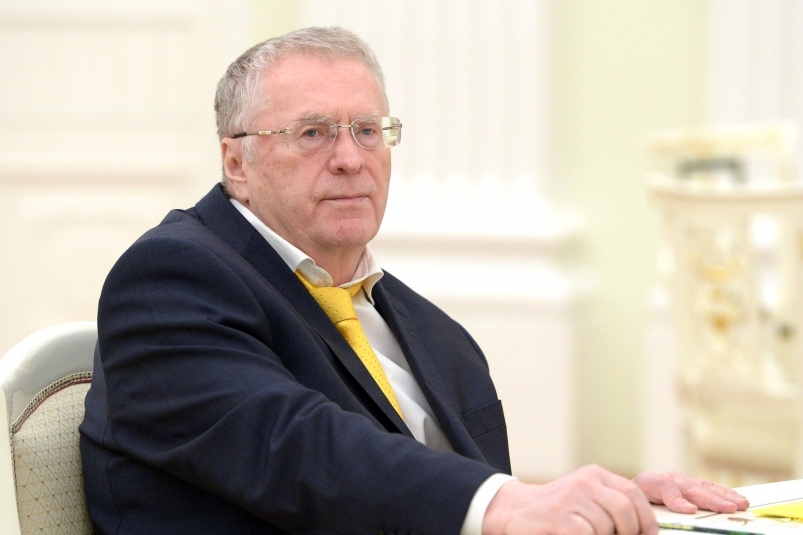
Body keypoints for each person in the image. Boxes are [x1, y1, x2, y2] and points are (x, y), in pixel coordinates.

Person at [79, 26, 748, 535]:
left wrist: (607, 507)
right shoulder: (171, 279)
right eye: (313, 133)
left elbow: (453, 496)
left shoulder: (431, 332)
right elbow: (297, 446)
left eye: (368, 130)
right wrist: (506, 503)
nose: (351, 158)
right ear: (237, 163)